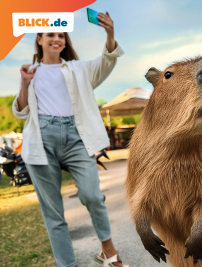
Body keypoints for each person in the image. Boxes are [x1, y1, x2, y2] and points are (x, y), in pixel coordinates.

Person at [12, 12, 124, 267]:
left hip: (76, 137)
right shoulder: (30, 71)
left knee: (92, 195)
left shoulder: (79, 68)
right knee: (53, 212)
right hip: (41, 141)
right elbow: (20, 111)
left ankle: (107, 250)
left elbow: (107, 61)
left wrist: (109, 33)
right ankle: (67, 264)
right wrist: (24, 83)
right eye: (50, 34)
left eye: (60, 35)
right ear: (39, 38)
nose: (56, 39)